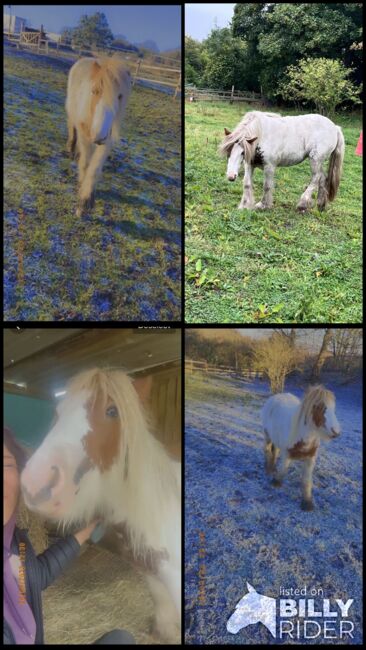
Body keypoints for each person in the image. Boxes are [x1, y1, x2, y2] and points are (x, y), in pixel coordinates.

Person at [4, 427, 135, 645]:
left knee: (122, 639)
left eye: (6, 464)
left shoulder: (16, 543)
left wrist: (89, 527)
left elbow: (38, 574)